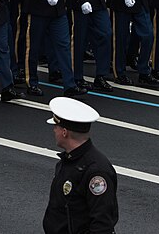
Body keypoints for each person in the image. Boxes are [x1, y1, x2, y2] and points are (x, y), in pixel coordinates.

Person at [43, 97, 118, 234]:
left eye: (56, 126)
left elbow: (102, 225)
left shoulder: (96, 172)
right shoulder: (68, 161)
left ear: (64, 132)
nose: (54, 130)